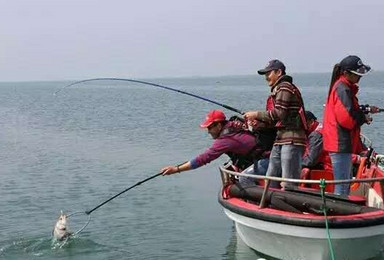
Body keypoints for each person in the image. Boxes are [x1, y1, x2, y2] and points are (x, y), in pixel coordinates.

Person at [244, 59, 307, 189]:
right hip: (281, 139)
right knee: (271, 176)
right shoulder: (279, 89)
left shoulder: (284, 87)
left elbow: (279, 114)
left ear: (279, 72)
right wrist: (258, 123)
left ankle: (287, 204)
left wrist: (256, 114)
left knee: (288, 182)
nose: (266, 77)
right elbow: (276, 120)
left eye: (268, 73)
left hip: (292, 139)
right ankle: (271, 203)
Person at [160, 110, 270, 183]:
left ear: (218, 125)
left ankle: (256, 207)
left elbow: (203, 159)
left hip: (267, 160)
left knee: (244, 179)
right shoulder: (234, 125)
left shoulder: (226, 139)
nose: (208, 131)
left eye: (210, 127)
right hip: (267, 155)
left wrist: (176, 169)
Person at [322, 55, 379, 195]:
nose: (359, 78)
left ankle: (339, 211)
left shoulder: (342, 88)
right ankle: (338, 213)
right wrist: (362, 118)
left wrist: (364, 111)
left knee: (344, 183)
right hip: (339, 144)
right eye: (357, 75)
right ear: (346, 73)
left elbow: (349, 111)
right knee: (342, 185)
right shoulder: (342, 89)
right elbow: (346, 119)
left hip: (339, 143)